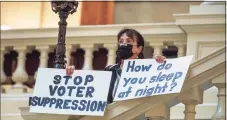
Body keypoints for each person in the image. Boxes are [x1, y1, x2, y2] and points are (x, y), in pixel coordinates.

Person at [66, 28, 166, 103]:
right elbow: (92, 92)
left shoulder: (148, 70)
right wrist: (72, 76)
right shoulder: (109, 70)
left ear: (139, 49)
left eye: (129, 41)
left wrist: (160, 67)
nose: (123, 44)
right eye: (121, 41)